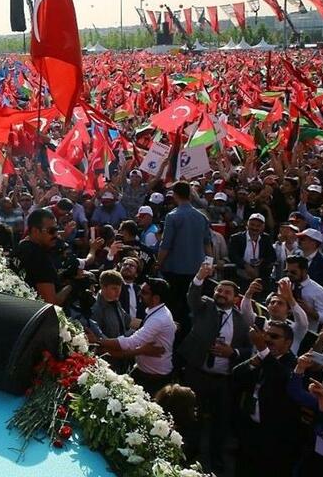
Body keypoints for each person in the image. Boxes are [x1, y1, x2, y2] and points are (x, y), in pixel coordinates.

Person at [179, 262, 252, 473]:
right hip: (197, 372)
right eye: (219, 290)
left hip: (222, 379)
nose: (221, 294)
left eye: (227, 292)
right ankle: (187, 454)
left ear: (235, 299)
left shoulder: (241, 321)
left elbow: (249, 350)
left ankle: (216, 461)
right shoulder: (204, 305)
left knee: (220, 422)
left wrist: (234, 353)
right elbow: (191, 297)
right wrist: (199, 277)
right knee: (191, 416)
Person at [232, 320, 304, 477]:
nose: (268, 339)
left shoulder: (294, 364)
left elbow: (282, 379)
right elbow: (235, 375)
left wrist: (263, 350)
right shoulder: (262, 357)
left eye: (274, 336)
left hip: (273, 438)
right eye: (266, 335)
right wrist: (253, 361)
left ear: (288, 342)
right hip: (249, 428)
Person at [97, 277, 176, 395]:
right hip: (142, 370)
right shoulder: (156, 311)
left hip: (154, 378)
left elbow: (130, 343)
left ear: (156, 298)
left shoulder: (159, 319)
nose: (139, 294)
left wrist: (98, 341)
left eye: (144, 292)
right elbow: (131, 324)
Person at [156, 181, 213, 325]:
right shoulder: (202, 217)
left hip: (175, 271)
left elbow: (165, 245)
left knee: (175, 310)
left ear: (175, 195)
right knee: (192, 307)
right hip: (197, 271)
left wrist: (158, 263)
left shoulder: (172, 216)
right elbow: (208, 245)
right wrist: (209, 266)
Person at [228, 212, 276, 285]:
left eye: (258, 226)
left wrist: (261, 263)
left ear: (263, 227)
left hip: (259, 275)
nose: (254, 228)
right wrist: (245, 265)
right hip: (240, 273)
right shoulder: (236, 238)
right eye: (252, 225)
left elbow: (272, 256)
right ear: (247, 225)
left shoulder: (266, 238)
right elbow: (233, 255)